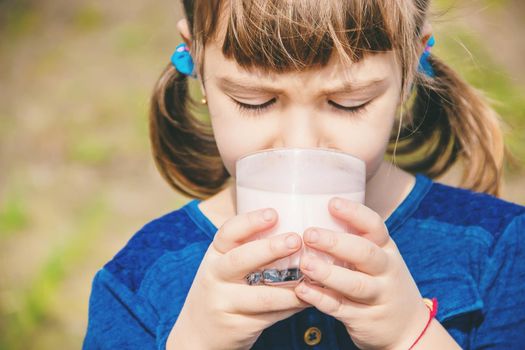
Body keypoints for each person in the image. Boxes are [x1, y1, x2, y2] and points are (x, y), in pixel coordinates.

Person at [83, 0, 525, 349]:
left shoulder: (501, 250)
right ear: (195, 59)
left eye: (348, 102)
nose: (302, 142)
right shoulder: (136, 283)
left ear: (411, 67)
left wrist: (411, 335)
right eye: (253, 100)